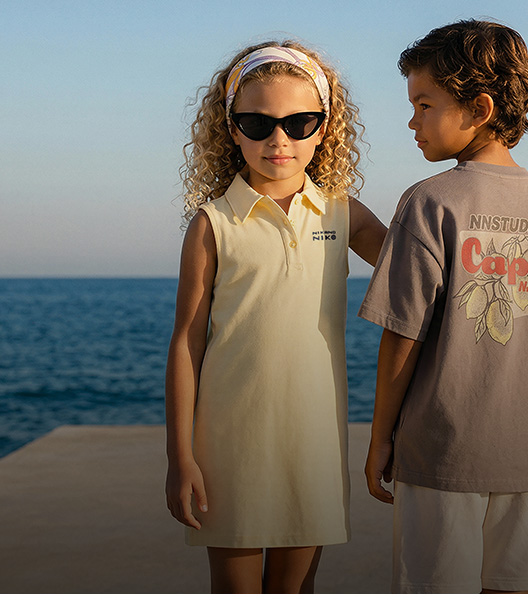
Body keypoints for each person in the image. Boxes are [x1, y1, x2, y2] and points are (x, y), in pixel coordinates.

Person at [359, 20, 528, 593]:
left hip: (441, 455)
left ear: (479, 109)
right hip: (527, 457)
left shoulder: (429, 201)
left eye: (424, 105)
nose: (412, 121)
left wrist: (382, 437)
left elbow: (401, 336)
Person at [165, 41, 387, 593]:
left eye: (298, 122)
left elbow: (421, 270)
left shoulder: (342, 214)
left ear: (324, 127)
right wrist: (179, 456)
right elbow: (187, 343)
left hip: (313, 438)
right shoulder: (213, 224)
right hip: (227, 445)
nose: (279, 139)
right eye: (258, 123)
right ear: (231, 128)